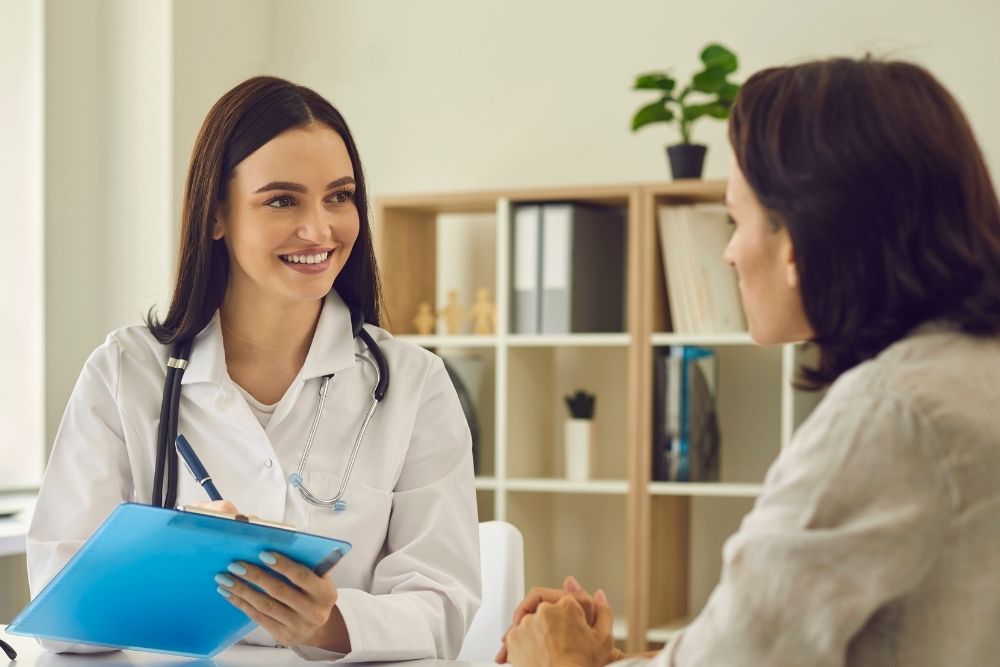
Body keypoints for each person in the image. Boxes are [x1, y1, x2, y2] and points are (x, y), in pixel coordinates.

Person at [499, 56, 1000, 666]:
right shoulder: (971, 374)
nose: (730, 254)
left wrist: (560, 662)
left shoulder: (886, 417)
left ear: (798, 238)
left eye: (736, 220)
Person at [27, 76, 481, 662]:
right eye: (282, 200)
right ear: (216, 215)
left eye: (339, 197)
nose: (319, 229)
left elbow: (445, 608)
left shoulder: (414, 384)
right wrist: (172, 560)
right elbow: (59, 621)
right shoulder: (125, 372)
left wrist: (327, 621)